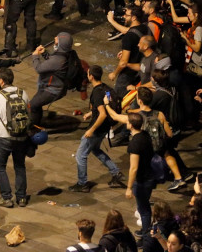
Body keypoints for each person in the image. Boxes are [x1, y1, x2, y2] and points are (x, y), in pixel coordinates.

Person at [70, 65, 123, 193]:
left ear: (91, 77)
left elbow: (102, 114)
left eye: (88, 73)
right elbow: (104, 106)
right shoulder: (105, 88)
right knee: (95, 150)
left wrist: (91, 130)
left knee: (80, 155)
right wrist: (91, 113)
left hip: (97, 129)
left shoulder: (97, 93)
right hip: (105, 127)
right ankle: (116, 172)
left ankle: (82, 183)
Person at [0, 67, 29, 208]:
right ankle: (21, 197)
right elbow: (28, 112)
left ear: (1, 81)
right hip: (21, 137)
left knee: (0, 167)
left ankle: (6, 197)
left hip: (4, 138)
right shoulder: (23, 93)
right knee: (20, 166)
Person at [29, 32, 72, 128]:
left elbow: (39, 68)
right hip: (52, 86)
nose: (55, 38)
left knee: (33, 105)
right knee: (37, 104)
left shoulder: (58, 59)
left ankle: (34, 128)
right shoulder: (64, 54)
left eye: (57, 39)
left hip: (51, 89)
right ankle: (37, 123)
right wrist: (44, 53)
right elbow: (52, 62)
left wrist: (35, 56)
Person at [124, 113, 155, 236]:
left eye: (127, 122)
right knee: (144, 205)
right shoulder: (145, 135)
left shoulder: (135, 143)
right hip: (150, 175)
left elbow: (133, 168)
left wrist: (129, 188)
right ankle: (145, 231)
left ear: (131, 125)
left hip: (142, 180)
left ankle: (146, 234)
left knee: (144, 209)